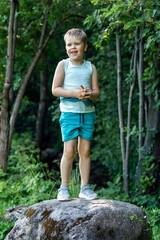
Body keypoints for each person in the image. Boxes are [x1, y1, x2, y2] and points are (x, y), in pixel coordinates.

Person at [52, 28, 100, 201]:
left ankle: (84, 188)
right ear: (66, 48)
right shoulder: (63, 65)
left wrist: (89, 94)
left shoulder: (90, 67)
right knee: (69, 150)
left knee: (85, 151)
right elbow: (55, 89)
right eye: (69, 44)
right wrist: (74, 94)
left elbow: (97, 93)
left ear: (85, 47)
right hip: (69, 113)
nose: (73, 47)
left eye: (77, 44)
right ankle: (64, 187)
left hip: (88, 113)